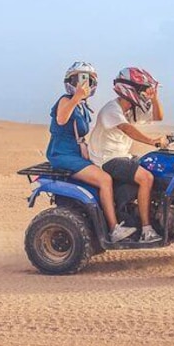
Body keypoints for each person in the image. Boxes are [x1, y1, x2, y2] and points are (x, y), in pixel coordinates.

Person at [46, 61, 136, 243]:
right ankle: (113, 229)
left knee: (111, 175)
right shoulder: (66, 100)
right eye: (78, 79)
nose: (83, 84)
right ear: (69, 80)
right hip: (64, 154)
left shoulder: (82, 106)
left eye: (88, 80)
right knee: (104, 179)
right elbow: (62, 119)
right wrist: (76, 97)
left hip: (78, 154)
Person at [89, 67, 168, 243]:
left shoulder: (131, 109)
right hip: (107, 159)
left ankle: (143, 217)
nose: (144, 94)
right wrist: (152, 141)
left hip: (123, 156)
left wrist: (155, 98)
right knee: (146, 178)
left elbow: (158, 116)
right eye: (141, 90)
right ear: (129, 89)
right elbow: (127, 129)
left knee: (156, 170)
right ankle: (147, 231)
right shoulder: (112, 109)